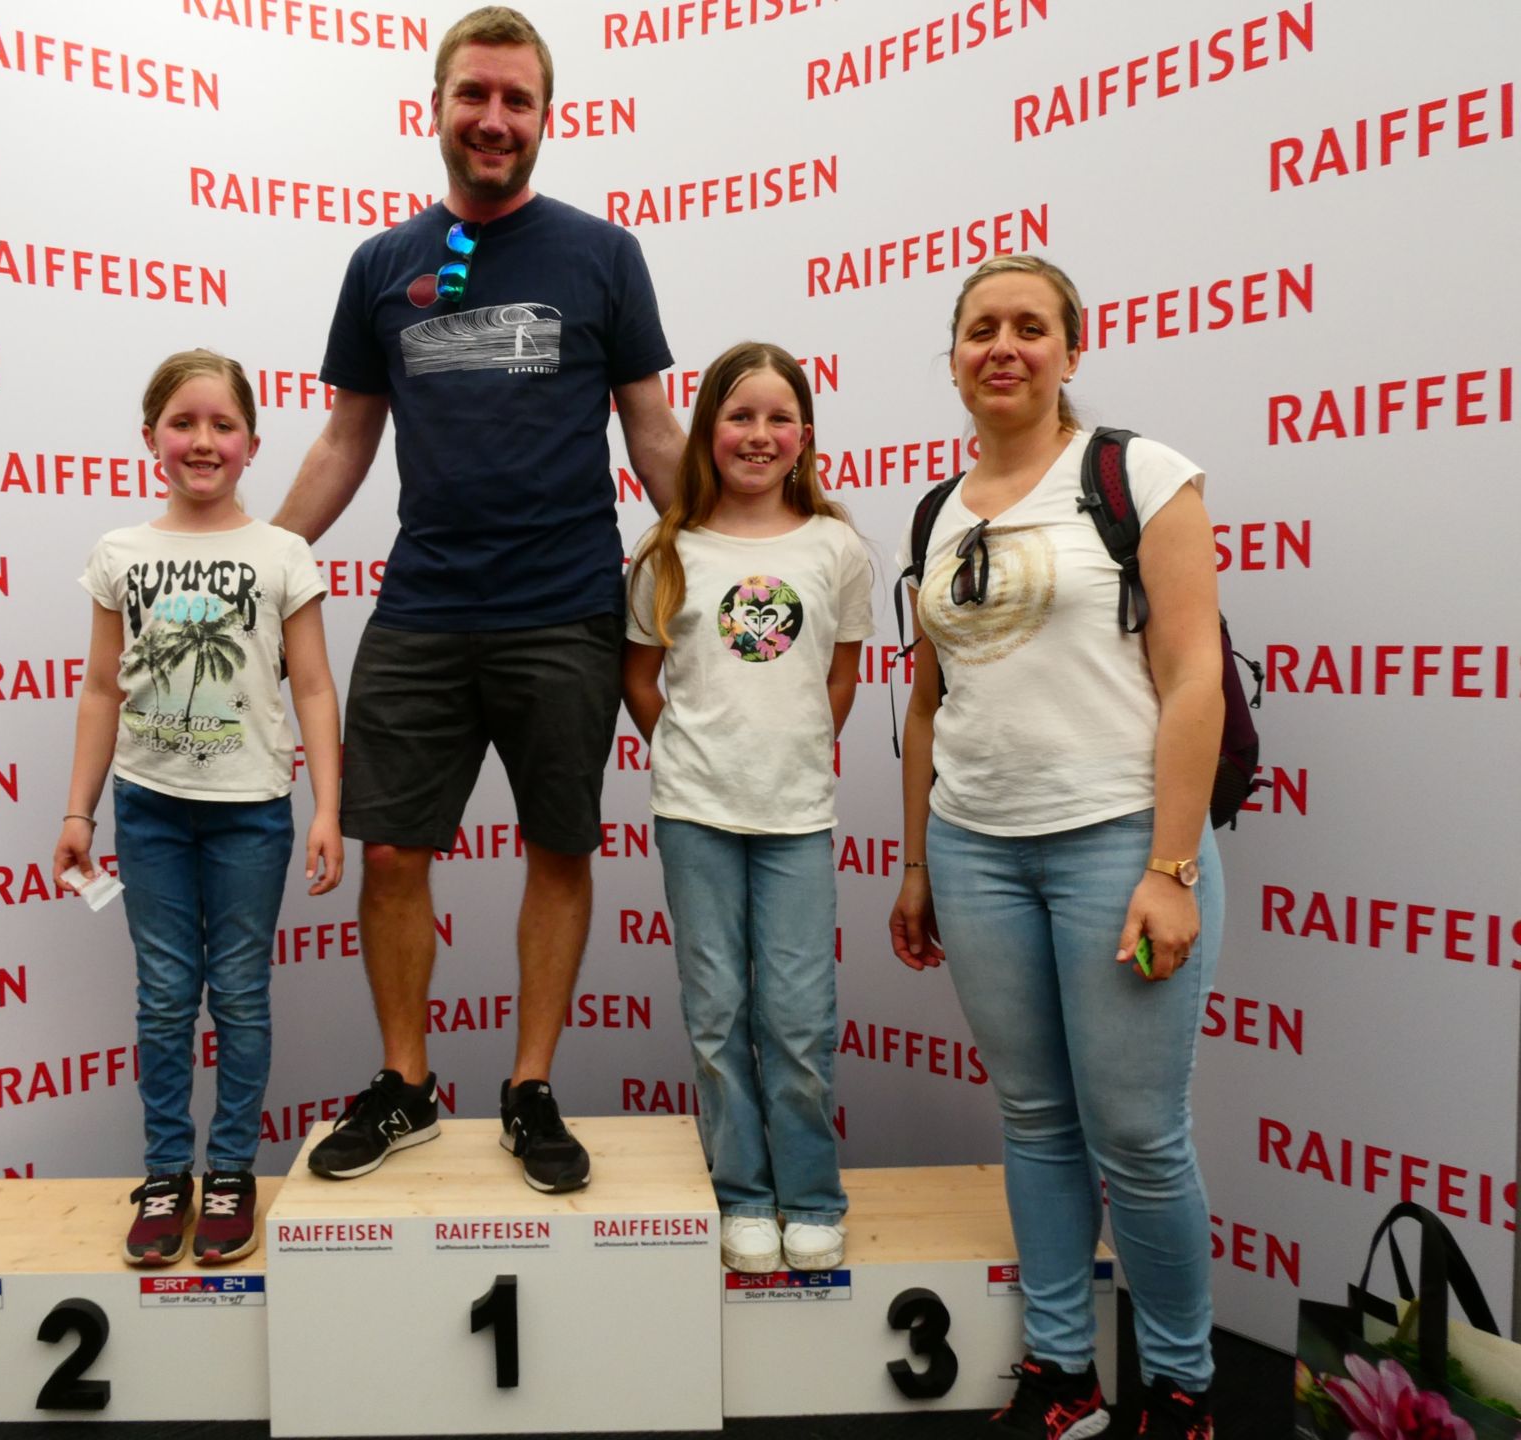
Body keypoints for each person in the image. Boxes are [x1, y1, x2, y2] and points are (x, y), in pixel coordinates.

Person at [274, 6, 684, 1193]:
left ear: (546, 117)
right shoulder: (379, 265)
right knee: (393, 854)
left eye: (517, 99)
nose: (494, 118)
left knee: (558, 849)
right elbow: (346, 440)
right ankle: (404, 1085)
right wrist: (262, 560)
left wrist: (730, 556)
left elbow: (653, 431)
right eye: (476, 95)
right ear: (438, 107)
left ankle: (529, 1087)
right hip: (423, 610)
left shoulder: (604, 254)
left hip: (567, 609)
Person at [888, 254, 1225, 1440]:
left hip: (1119, 845)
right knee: (1033, 1119)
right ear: (953, 359)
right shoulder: (936, 513)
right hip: (976, 852)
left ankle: (1180, 1385)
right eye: (981, 328)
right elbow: (928, 704)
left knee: (1137, 1138)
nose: (1004, 347)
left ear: (1071, 351)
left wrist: (1170, 869)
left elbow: (1194, 678)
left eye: (1031, 327)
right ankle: (1062, 1372)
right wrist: (918, 864)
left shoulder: (1140, 476)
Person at [57, 350, 343, 1266]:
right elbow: (100, 689)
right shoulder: (119, 554)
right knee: (165, 998)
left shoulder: (282, 553)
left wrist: (327, 808)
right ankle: (164, 1175)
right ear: (151, 439)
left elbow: (314, 689)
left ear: (253, 443)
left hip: (251, 811)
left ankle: (230, 1173)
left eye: (223, 425)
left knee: (242, 996)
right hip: (147, 812)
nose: (204, 441)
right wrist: (78, 813)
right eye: (184, 423)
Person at [621, 343, 869, 1273]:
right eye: (739, 416)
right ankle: (744, 1196)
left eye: (778, 418)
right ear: (706, 432)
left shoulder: (836, 548)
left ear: (805, 436)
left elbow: (840, 677)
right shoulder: (668, 550)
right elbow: (640, 677)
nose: (758, 435)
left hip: (797, 818)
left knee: (799, 1021)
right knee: (717, 1014)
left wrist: (792, 749)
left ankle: (811, 1197)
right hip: (696, 816)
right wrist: (691, 751)